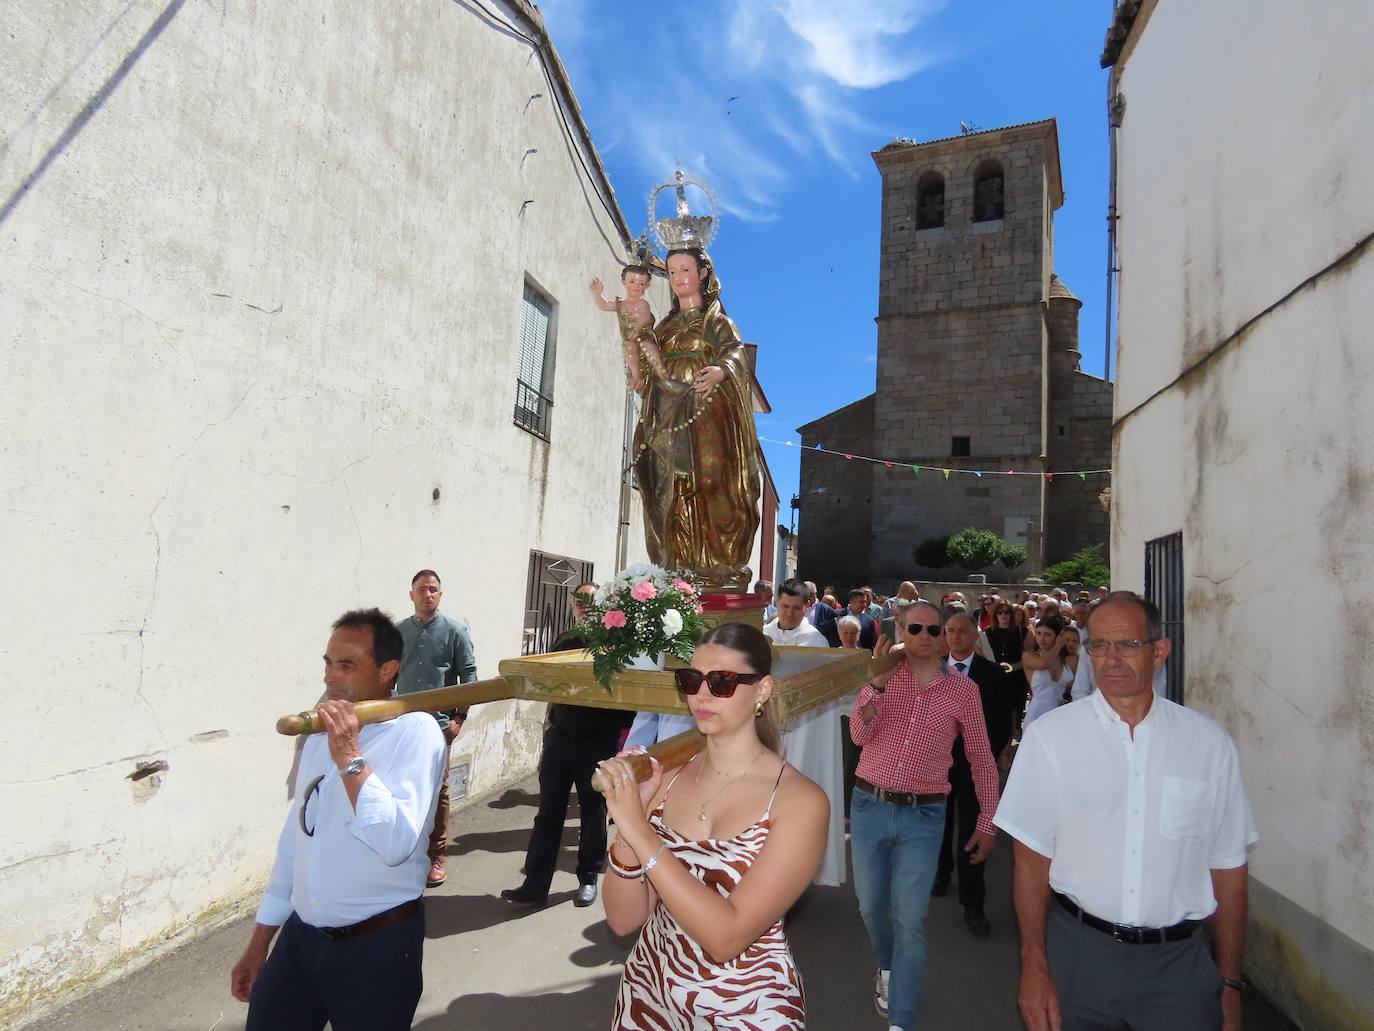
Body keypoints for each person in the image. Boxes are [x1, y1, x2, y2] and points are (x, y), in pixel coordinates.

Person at [995, 593, 1258, 1031]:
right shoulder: (1051, 738)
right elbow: (1030, 864)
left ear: (1159, 651)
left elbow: (1229, 868)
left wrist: (1230, 983)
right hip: (1079, 959)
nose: (1111, 659)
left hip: (1180, 970)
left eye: (1128, 645)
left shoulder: (1208, 746)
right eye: (1098, 645)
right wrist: (1034, 968)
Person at [602, 623, 829, 1030]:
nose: (701, 694)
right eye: (691, 680)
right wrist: (627, 829)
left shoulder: (800, 802)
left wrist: (639, 829)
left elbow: (726, 938)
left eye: (721, 681)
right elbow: (623, 919)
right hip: (650, 994)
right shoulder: (668, 777)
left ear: (762, 690)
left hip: (746, 1007)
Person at [231, 609, 446, 1031]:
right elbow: (296, 844)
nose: (331, 677)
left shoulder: (415, 732)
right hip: (301, 940)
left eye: (347, 665)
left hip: (378, 948)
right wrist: (259, 943)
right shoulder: (320, 732)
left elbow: (395, 842)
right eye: (328, 663)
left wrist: (348, 754)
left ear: (388, 670)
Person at [849, 602, 1000, 1031]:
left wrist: (987, 820)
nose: (925, 636)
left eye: (934, 630)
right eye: (915, 627)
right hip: (869, 806)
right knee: (870, 906)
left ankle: (902, 1019)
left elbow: (981, 759)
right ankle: (886, 966)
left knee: (910, 920)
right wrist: (875, 685)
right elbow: (859, 735)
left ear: (945, 637)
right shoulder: (882, 676)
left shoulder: (962, 692)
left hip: (925, 816)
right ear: (900, 628)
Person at [633, 248, 761, 591]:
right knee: (668, 487)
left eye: (685, 269)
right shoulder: (666, 326)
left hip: (708, 417)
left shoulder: (717, 322)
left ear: (703, 273)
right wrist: (640, 370)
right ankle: (676, 565)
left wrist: (722, 371)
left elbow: (734, 353)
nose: (677, 278)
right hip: (669, 418)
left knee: (710, 485)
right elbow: (649, 367)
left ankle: (718, 565)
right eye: (672, 271)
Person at [502, 582, 632, 908]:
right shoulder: (564, 640)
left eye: (591, 601)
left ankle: (588, 878)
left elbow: (628, 698)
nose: (584, 606)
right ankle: (535, 884)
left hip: (598, 743)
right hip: (560, 740)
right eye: (579, 602)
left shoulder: (618, 644)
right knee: (548, 814)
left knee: (593, 814)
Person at [930, 610, 1017, 938]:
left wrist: (988, 755)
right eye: (949, 631)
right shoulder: (933, 672)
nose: (955, 637)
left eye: (962, 631)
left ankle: (973, 903)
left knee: (972, 829)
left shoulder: (991, 675)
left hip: (974, 766)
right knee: (938, 821)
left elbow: (1000, 721)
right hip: (937, 764)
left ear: (974, 635)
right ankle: (940, 873)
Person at [396, 569, 478, 888]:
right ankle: (405, 850)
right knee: (402, 787)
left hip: (438, 726)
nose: (427, 594)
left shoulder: (455, 631)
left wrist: (459, 719)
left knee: (438, 791)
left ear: (440, 595)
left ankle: (437, 855)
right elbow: (387, 676)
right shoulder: (399, 631)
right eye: (421, 589)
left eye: (433, 590)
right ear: (412, 594)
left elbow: (469, 677)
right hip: (402, 726)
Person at [764, 578, 847, 886]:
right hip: (765, 726)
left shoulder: (815, 641)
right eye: (784, 606)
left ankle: (794, 872)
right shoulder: (763, 635)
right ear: (777, 604)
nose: (788, 614)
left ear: (807, 607)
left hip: (801, 731)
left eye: (795, 608)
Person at [590, 264, 666, 389]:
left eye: (641, 284)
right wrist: (597, 294)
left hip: (644, 336)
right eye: (632, 281)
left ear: (646, 286)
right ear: (624, 282)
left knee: (649, 349)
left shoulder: (642, 303)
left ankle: (661, 371)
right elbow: (604, 305)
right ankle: (636, 375)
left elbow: (645, 317)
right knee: (628, 350)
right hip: (630, 339)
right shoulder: (620, 304)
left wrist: (635, 330)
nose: (636, 286)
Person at [1021, 615, 1073, 728]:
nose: (1042, 639)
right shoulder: (1029, 656)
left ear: (1057, 636)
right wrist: (1059, 644)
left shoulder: (1069, 659)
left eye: (1047, 634)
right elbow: (1044, 663)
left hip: (1064, 715)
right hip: (1037, 715)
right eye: (1038, 633)